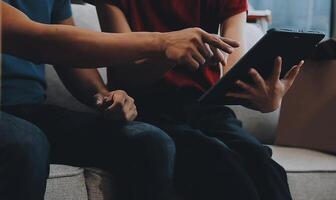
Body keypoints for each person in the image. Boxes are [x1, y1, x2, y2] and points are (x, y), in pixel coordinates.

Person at [0, 1, 238, 200]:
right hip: (12, 121)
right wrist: (161, 43)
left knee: (150, 140)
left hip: (30, 109)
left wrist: (106, 97)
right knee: (27, 143)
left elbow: (71, 59)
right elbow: (41, 42)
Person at [93, 0, 305, 199]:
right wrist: (168, 52)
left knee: (263, 163)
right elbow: (126, 75)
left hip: (206, 106)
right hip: (145, 107)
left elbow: (232, 70)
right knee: (218, 160)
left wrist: (261, 96)